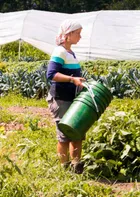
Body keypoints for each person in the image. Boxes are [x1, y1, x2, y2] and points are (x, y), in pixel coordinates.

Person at [45, 19, 86, 174]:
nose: (80, 37)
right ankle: (64, 170)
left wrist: (79, 81)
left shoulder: (70, 52)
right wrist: (71, 79)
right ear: (68, 35)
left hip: (71, 98)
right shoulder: (59, 51)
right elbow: (51, 74)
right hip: (61, 98)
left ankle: (76, 167)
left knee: (76, 131)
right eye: (78, 34)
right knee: (64, 134)